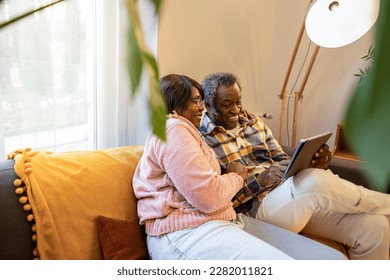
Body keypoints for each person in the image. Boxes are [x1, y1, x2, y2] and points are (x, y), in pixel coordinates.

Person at [132, 73, 346, 260]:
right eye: (196, 101)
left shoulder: (185, 133)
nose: (202, 108)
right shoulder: (173, 129)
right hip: (186, 231)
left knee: (330, 259)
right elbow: (208, 197)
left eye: (202, 101)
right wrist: (237, 176)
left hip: (223, 220)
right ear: (174, 105)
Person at [199, 72, 390, 260]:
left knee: (375, 228)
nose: (236, 109)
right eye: (227, 104)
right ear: (208, 105)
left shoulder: (254, 123)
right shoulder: (201, 141)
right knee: (313, 181)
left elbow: (282, 159)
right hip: (258, 209)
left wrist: (311, 161)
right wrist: (261, 179)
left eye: (238, 102)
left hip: (290, 198)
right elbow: (217, 198)